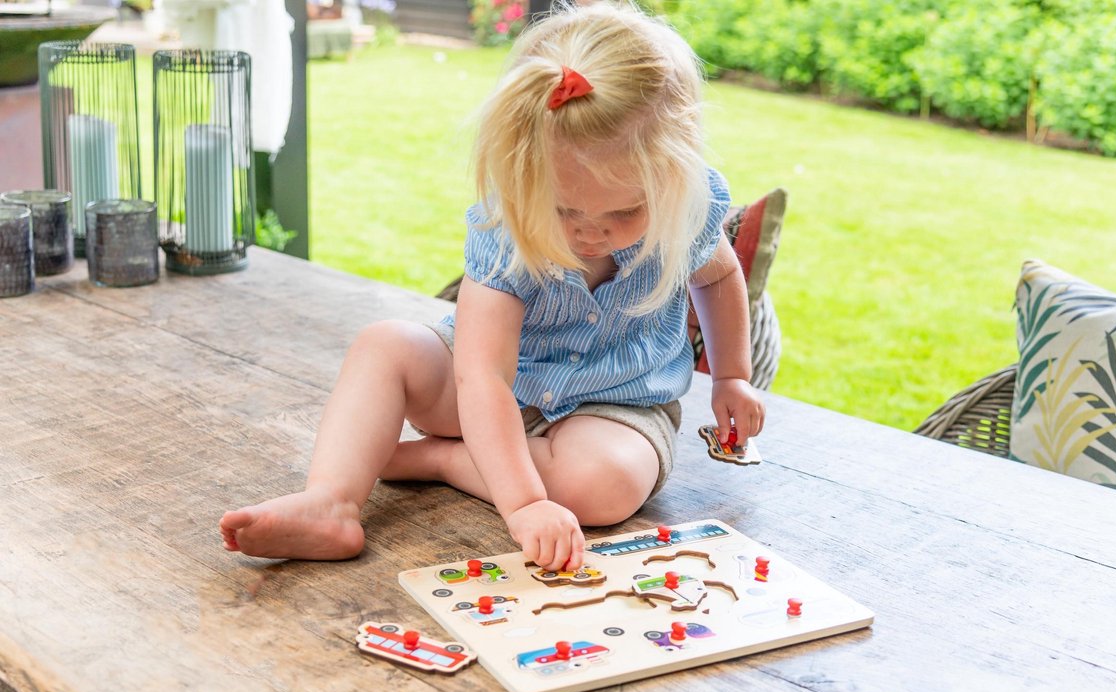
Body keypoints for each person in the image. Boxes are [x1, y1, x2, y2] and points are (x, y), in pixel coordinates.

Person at [219, 0, 766, 570]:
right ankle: (331, 501)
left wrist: (732, 376)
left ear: (675, 176)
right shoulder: (506, 226)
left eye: (625, 212)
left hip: (616, 403)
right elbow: (481, 376)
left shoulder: (686, 209)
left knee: (603, 486)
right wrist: (525, 503)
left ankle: (439, 461)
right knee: (385, 346)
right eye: (563, 210)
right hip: (492, 389)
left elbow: (719, 275)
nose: (590, 233)